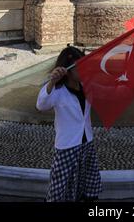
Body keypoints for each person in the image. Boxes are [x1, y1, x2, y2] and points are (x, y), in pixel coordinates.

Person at [36, 46, 102, 202]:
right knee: (60, 188)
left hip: (87, 143)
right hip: (67, 146)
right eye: (79, 67)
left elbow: (108, 91)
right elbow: (41, 105)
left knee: (86, 184)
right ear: (68, 70)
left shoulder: (85, 87)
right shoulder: (58, 91)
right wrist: (52, 82)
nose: (83, 70)